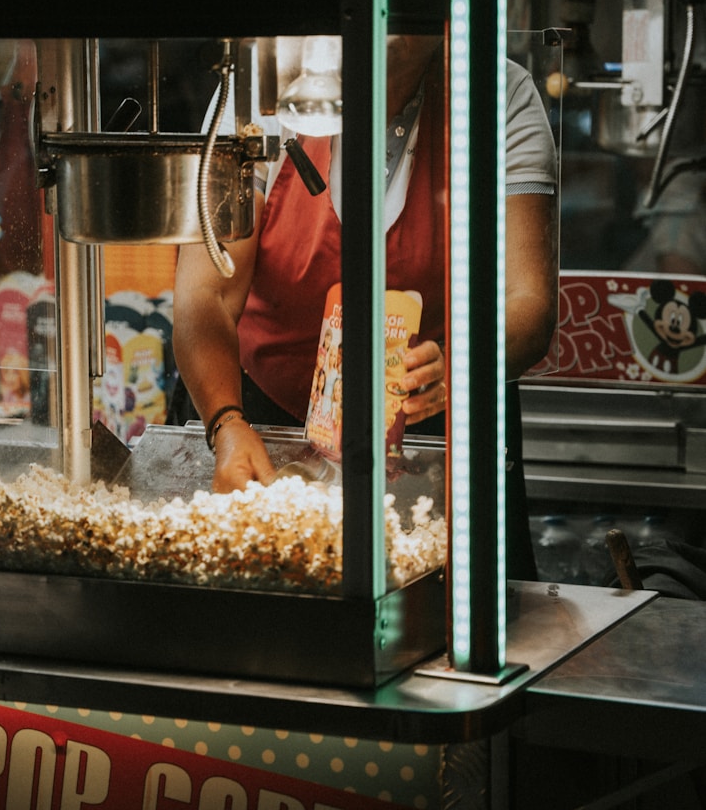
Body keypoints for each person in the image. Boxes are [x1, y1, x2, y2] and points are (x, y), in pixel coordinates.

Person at [172, 35, 558, 576]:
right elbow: (202, 294)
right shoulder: (261, 89)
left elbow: (529, 303)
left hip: (436, 425)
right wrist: (226, 423)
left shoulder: (499, 96)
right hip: (260, 418)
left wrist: (463, 363)